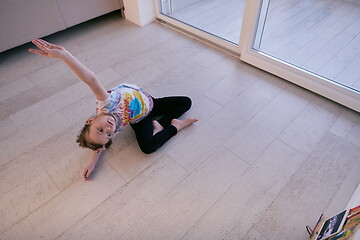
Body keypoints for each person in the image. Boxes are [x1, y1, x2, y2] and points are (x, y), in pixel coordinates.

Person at [29, 39, 197, 181]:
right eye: (108, 134)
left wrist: (64, 56)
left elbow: (91, 79)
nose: (109, 129)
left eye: (101, 129)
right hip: (140, 118)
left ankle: (159, 124)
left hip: (152, 102)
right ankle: (175, 126)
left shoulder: (106, 104)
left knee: (186, 102)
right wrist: (92, 163)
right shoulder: (111, 129)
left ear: (91, 120)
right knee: (148, 148)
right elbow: (99, 146)